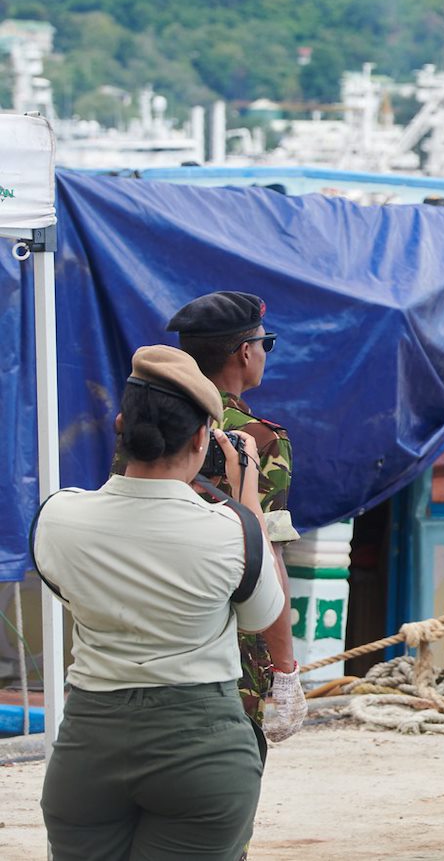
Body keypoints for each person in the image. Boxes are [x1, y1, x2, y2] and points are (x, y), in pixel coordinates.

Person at [35, 347, 292, 859]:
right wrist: (246, 501)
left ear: (121, 425)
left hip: (88, 749)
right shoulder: (231, 534)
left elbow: (65, 586)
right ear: (203, 437)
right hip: (201, 750)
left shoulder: (57, 517)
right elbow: (263, 614)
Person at [166, 291, 300, 753]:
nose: (264, 354)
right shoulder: (261, 439)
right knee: (225, 781)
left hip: (152, 626)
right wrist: (285, 667)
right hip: (230, 648)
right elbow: (267, 554)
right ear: (246, 352)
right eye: (266, 344)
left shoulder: (150, 420)